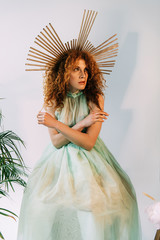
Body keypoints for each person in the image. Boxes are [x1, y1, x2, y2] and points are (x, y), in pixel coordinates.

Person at [17, 10, 142, 240]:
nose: (83, 74)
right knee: (42, 207)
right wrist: (81, 123)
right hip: (57, 165)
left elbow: (88, 142)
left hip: (93, 162)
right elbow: (55, 143)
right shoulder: (54, 101)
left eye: (85, 69)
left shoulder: (96, 98)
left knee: (100, 208)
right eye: (76, 69)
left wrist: (58, 123)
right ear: (65, 73)